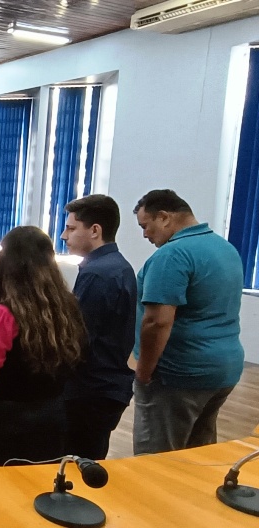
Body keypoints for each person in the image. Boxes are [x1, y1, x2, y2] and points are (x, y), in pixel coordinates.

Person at [132, 189, 244, 455]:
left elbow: (157, 322)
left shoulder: (172, 255)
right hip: (223, 371)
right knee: (197, 458)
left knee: (156, 462)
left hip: (178, 375)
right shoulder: (225, 247)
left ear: (164, 217)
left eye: (145, 226)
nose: (145, 235)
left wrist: (144, 371)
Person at [0, 226, 85, 467]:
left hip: (6, 425)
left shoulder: (3, 314)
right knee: (38, 492)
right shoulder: (67, 305)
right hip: (52, 417)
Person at [59, 194, 136, 460]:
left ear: (95, 230)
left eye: (70, 228)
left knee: (75, 462)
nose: (62, 236)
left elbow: (79, 338)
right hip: (108, 383)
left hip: (90, 389)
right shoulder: (120, 266)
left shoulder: (97, 273)